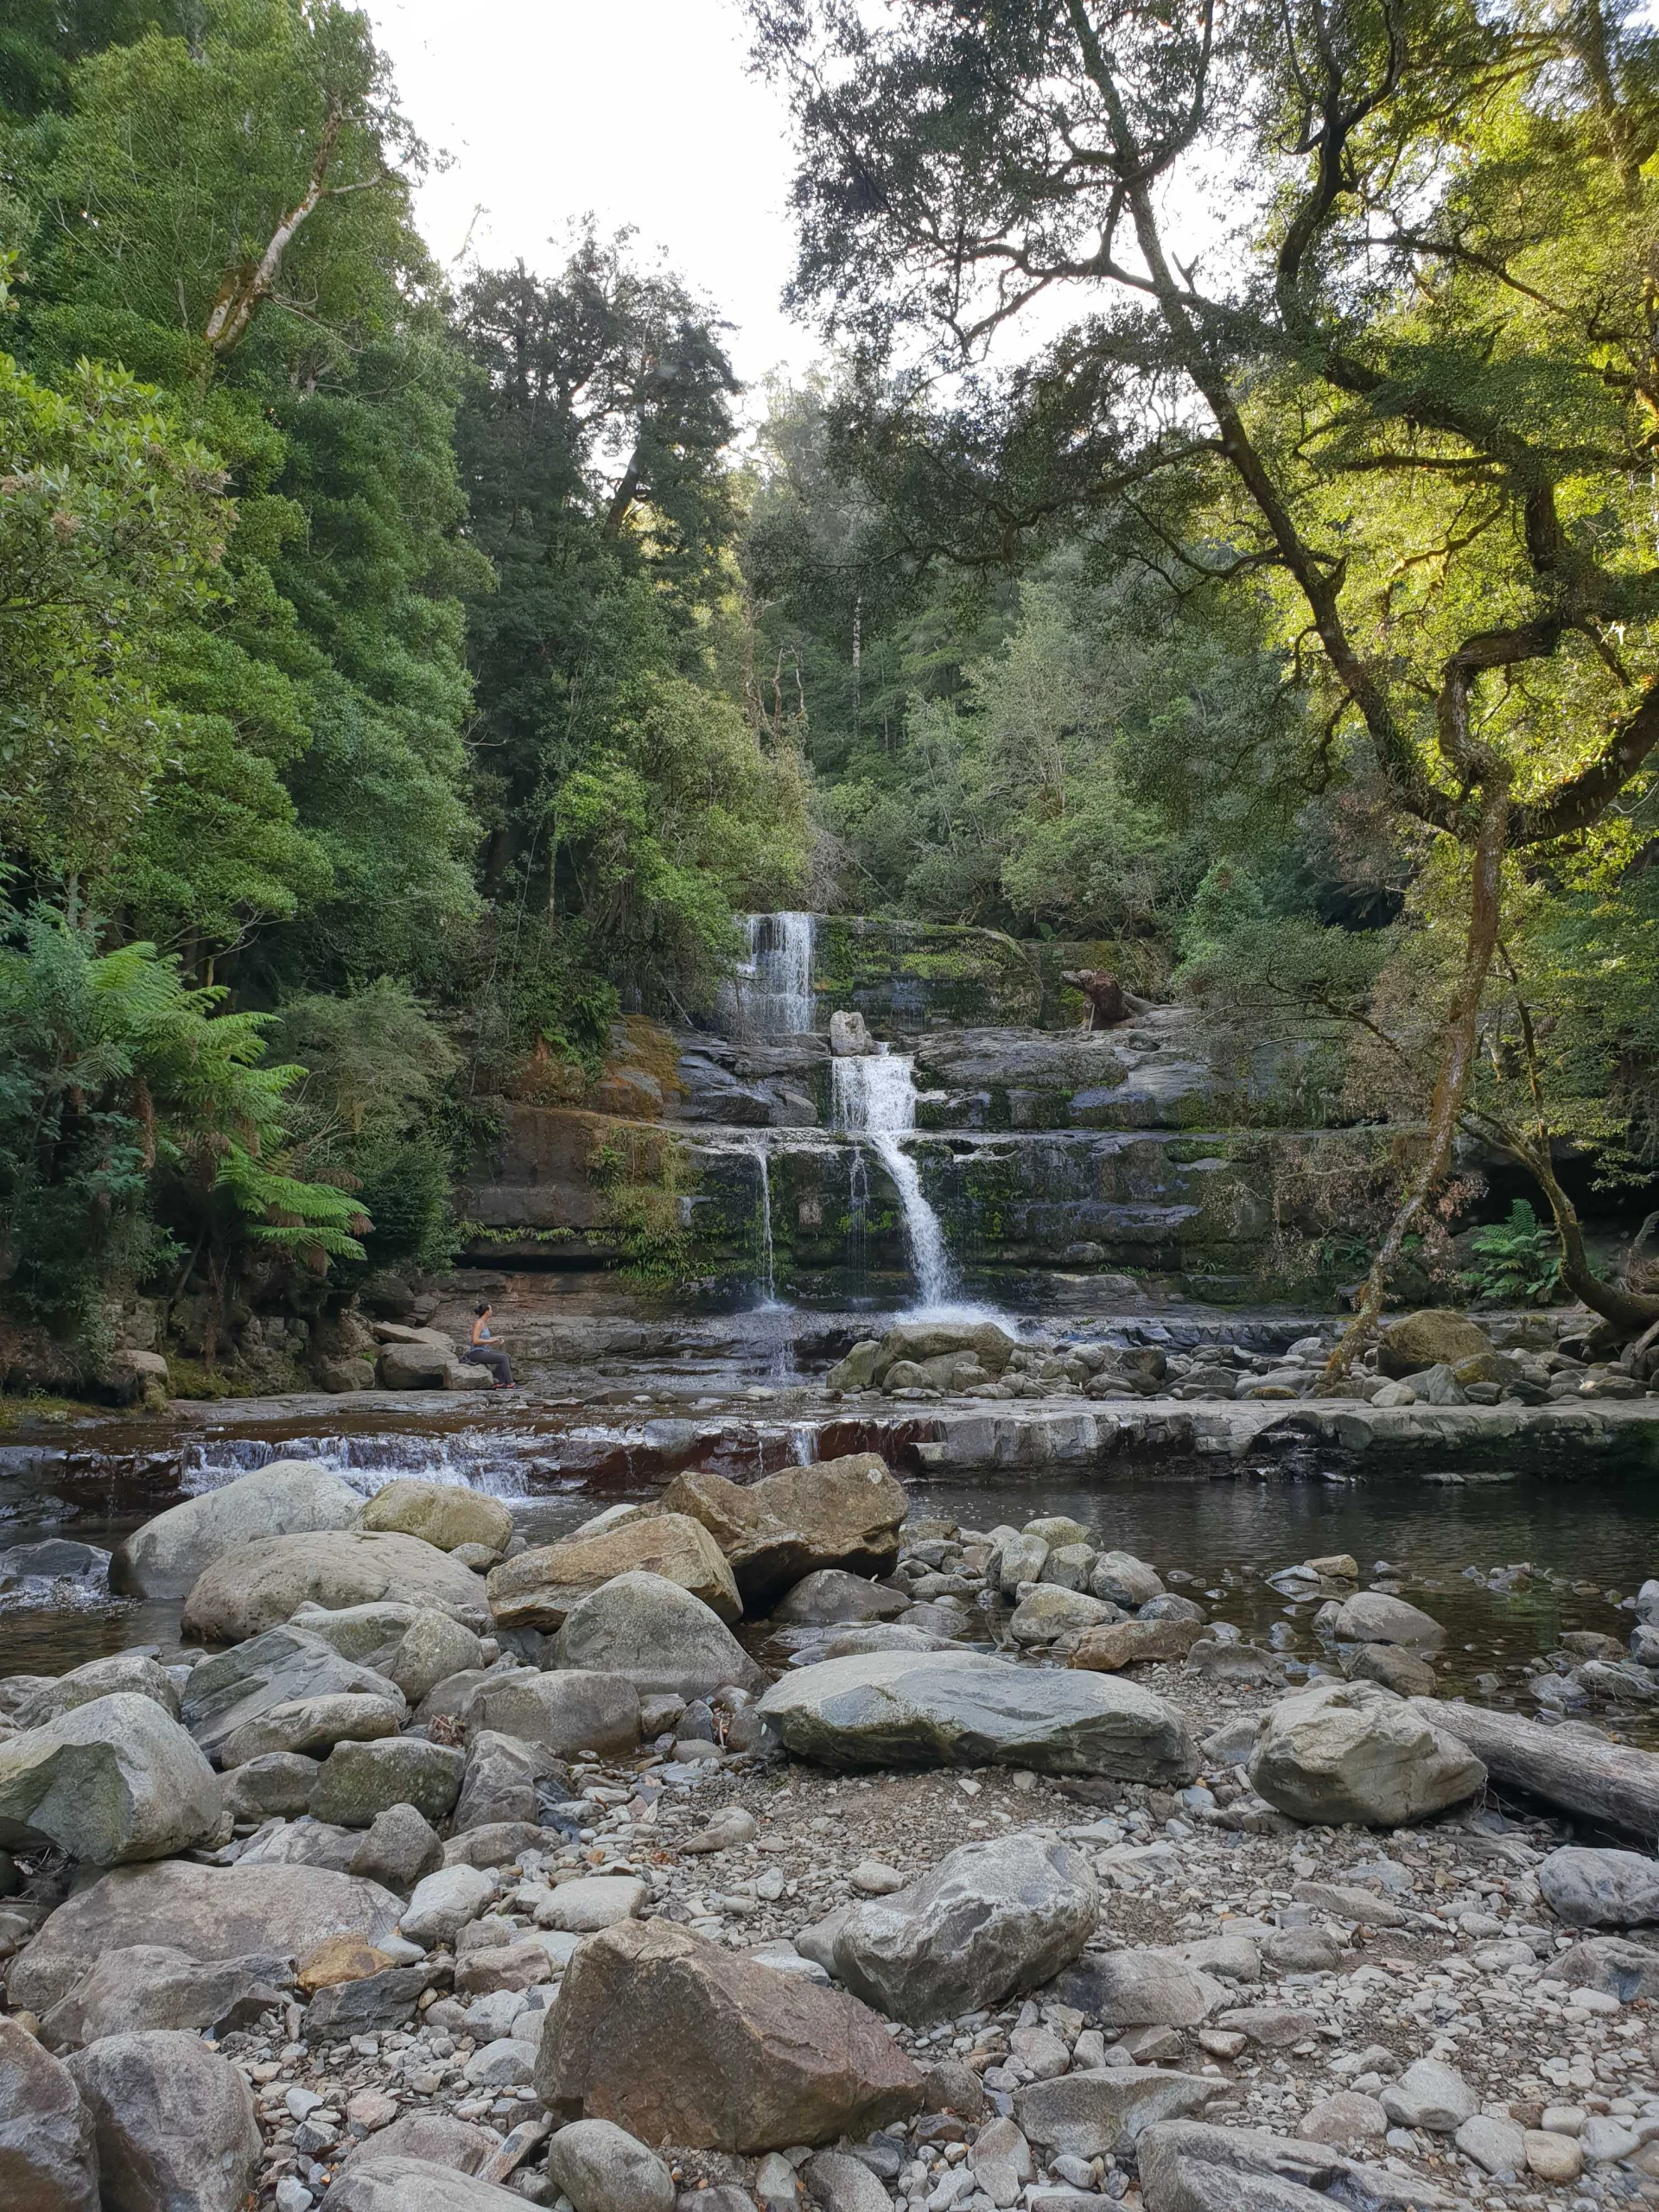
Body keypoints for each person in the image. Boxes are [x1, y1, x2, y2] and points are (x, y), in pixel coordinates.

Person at [463, 1301, 516, 1388]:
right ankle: (510, 1383)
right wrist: (491, 1341)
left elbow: (484, 1339)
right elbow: (475, 1341)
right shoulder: (479, 1323)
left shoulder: (484, 1324)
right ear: (486, 1311)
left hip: (484, 1351)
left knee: (507, 1356)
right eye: (491, 1309)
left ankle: (499, 1382)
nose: (492, 1311)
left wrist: (495, 1340)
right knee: (504, 1358)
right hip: (476, 1353)